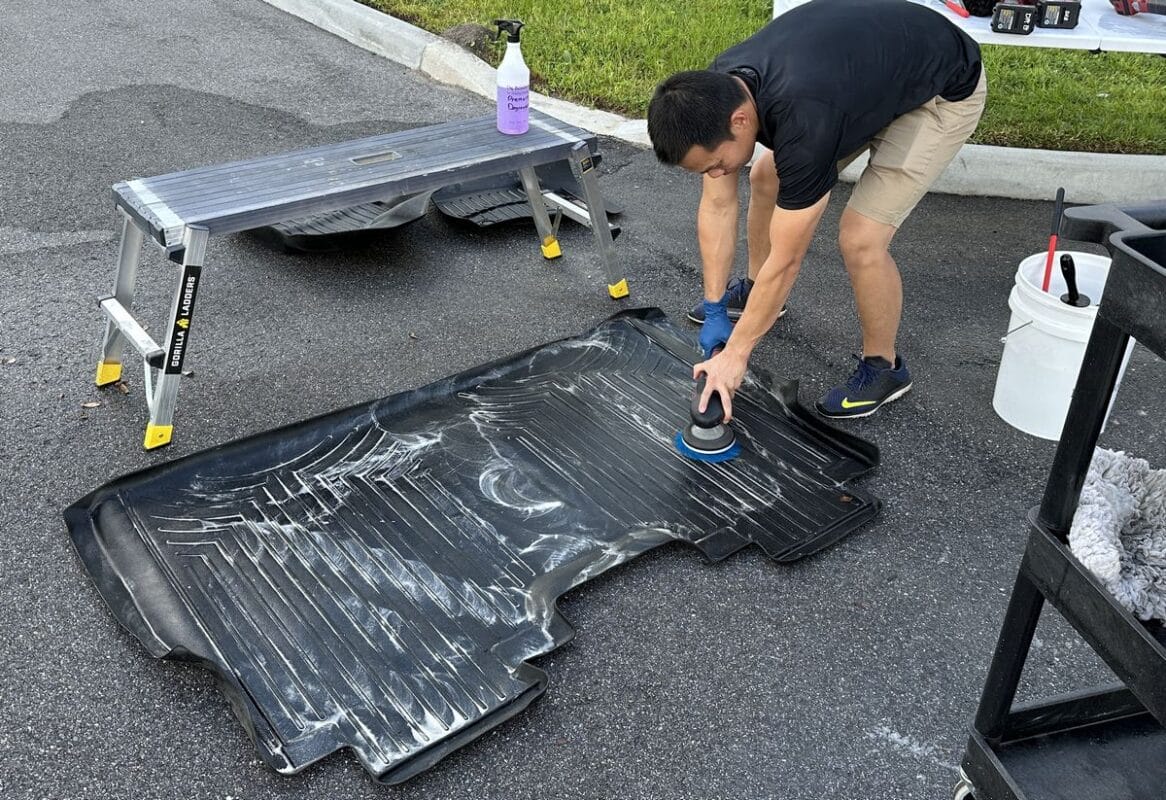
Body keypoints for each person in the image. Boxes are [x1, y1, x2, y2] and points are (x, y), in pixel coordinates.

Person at [647, 0, 985, 421]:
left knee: (861, 237)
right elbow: (717, 206)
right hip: (866, 76)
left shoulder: (804, 123)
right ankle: (754, 292)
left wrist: (735, 354)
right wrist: (715, 307)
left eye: (715, 162)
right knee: (766, 176)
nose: (716, 173)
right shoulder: (712, 95)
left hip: (939, 90)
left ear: (739, 121)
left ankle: (885, 367)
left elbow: (787, 260)